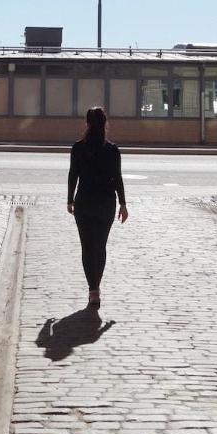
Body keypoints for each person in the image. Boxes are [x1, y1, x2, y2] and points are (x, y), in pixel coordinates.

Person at [67, 106, 128, 309]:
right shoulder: (112, 149)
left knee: (87, 247)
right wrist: (123, 203)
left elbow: (73, 175)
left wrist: (69, 200)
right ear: (104, 124)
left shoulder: (78, 148)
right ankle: (96, 288)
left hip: (84, 201)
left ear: (87, 124)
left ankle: (92, 289)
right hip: (105, 202)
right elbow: (117, 178)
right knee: (100, 246)